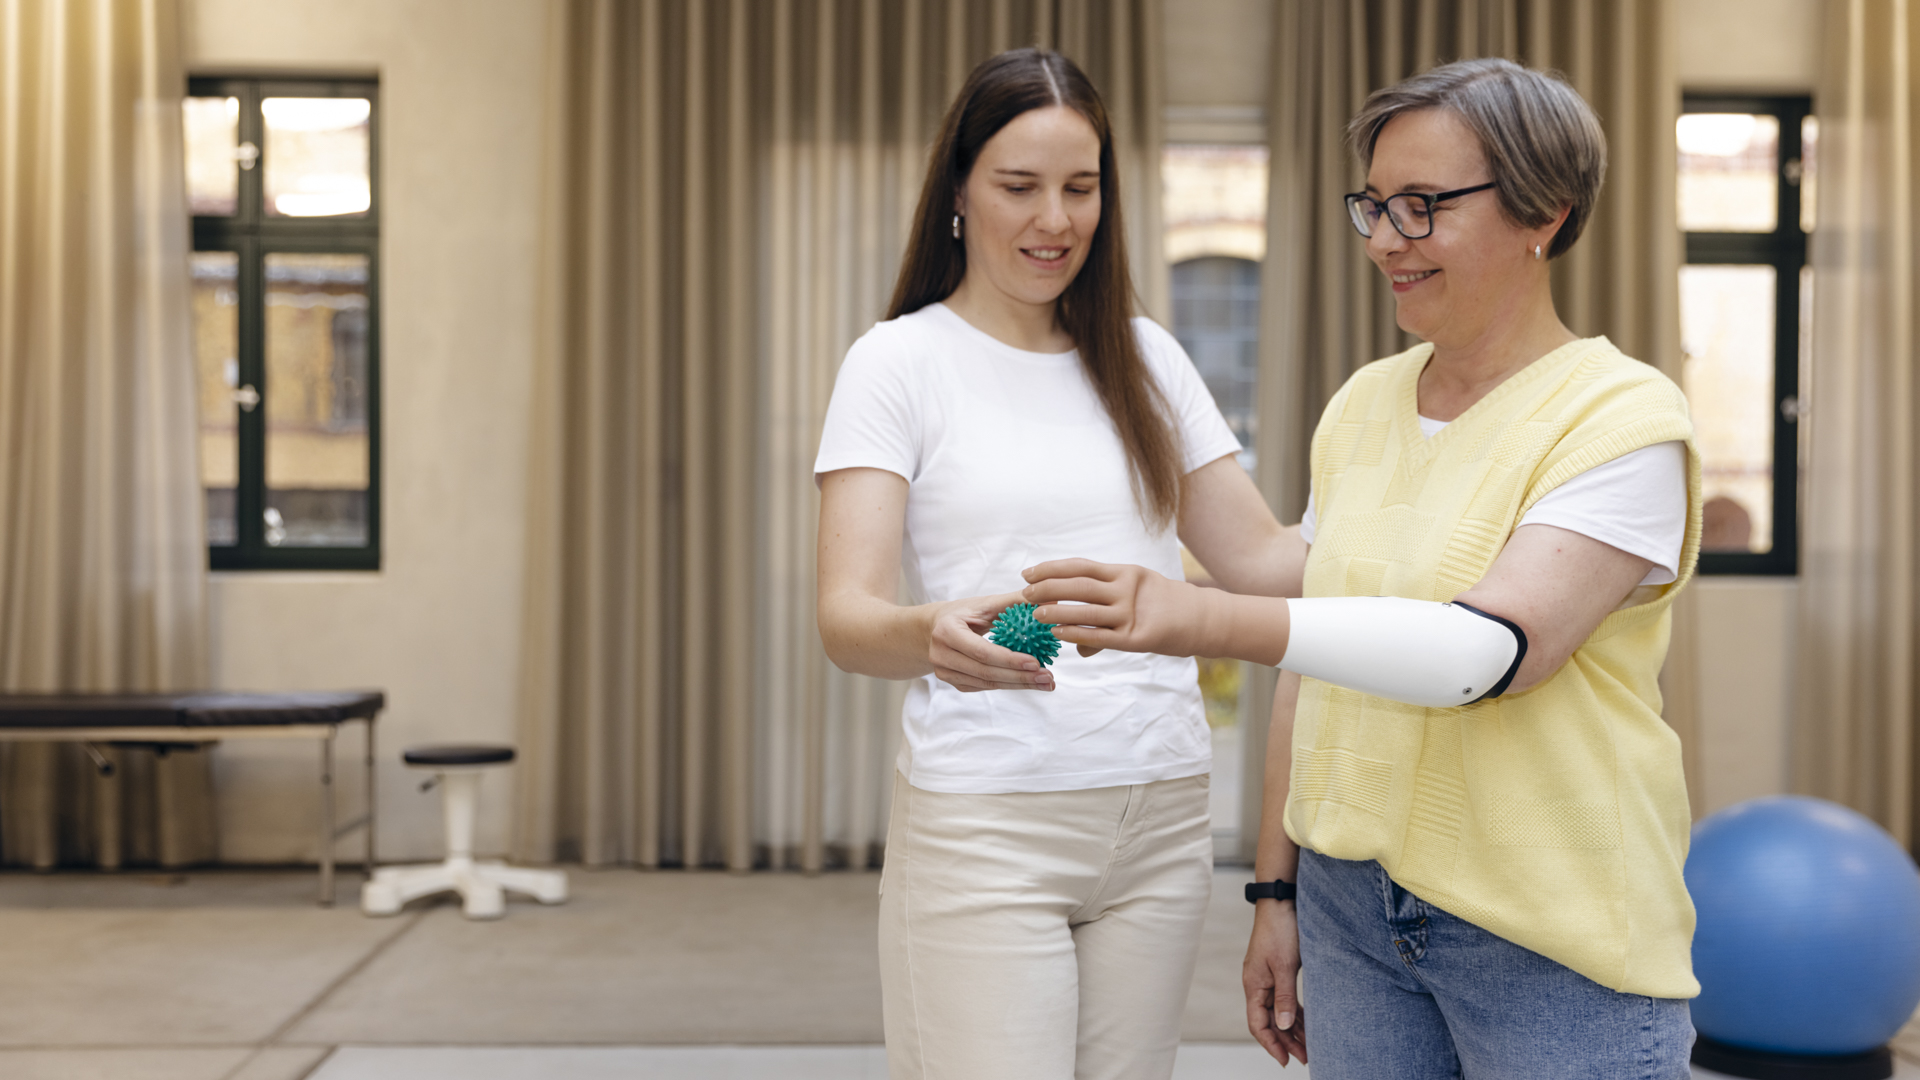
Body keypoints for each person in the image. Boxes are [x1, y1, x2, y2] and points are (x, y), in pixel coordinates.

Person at [1022, 58, 1701, 1079]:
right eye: (1375, 206)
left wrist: (1196, 616)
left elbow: (1487, 652)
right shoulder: (1365, 404)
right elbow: (1315, 633)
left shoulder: (1623, 420)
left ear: (1545, 216)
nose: (1385, 240)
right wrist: (1275, 893)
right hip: (1353, 916)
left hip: (1552, 936)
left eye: (1422, 207)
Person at [813, 48, 1295, 1080]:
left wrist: (1433, 519)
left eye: (1081, 188)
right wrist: (924, 633)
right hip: (988, 820)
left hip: (1159, 813)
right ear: (958, 192)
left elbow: (1262, 559)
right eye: (1019, 187)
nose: (1055, 220)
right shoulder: (898, 363)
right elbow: (847, 617)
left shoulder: (1148, 358)